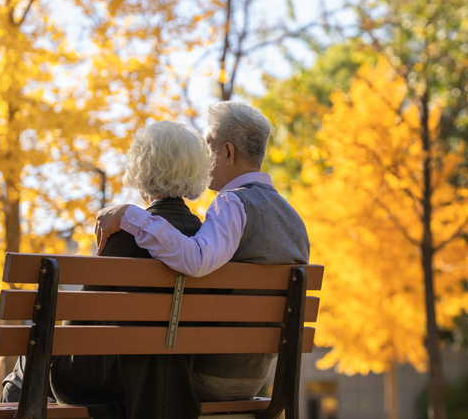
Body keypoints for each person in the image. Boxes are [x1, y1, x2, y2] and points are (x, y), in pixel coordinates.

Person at [95, 100, 310, 401]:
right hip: (257, 378)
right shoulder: (293, 219)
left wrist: (130, 215)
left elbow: (196, 259)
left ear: (227, 152)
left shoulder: (233, 203)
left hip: (206, 376)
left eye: (209, 146)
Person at [2, 120, 213, 419]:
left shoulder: (125, 238)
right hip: (177, 380)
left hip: (115, 379)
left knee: (24, 369)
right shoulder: (204, 243)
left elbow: (78, 328)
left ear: (141, 172)